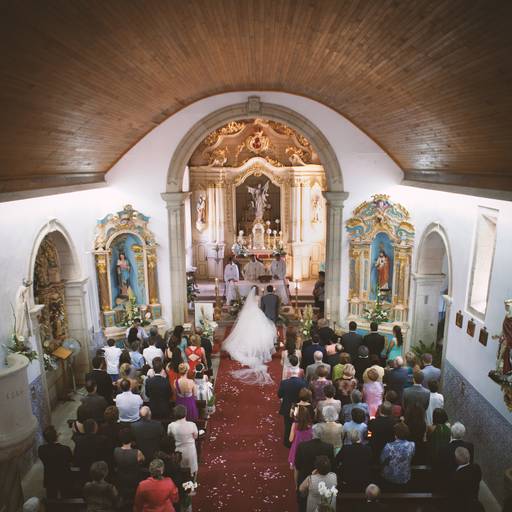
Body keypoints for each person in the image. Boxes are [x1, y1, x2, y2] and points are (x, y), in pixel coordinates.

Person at [223, 286, 276, 384]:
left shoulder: (249, 298)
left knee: (245, 330)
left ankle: (247, 348)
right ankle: (257, 349)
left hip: (249, 314)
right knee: (259, 331)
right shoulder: (259, 297)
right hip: (257, 313)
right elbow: (260, 306)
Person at [37, 425, 72, 499]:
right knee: (66, 497)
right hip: (64, 477)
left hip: (50, 477)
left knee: (51, 497)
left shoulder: (41, 449)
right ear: (56, 436)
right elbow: (70, 460)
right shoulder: (65, 449)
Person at [114, 428, 144, 507]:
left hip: (121, 479)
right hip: (134, 480)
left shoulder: (116, 451)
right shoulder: (137, 452)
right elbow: (143, 461)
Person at [380, 422, 415, 488]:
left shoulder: (389, 446)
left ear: (395, 434)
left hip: (390, 478)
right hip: (405, 477)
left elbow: (382, 460)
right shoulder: (412, 445)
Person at [168, 405, 199, 478]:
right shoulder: (192, 425)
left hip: (179, 451)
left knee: (181, 470)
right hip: (190, 450)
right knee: (191, 469)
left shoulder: (171, 426)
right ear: (185, 414)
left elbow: (170, 436)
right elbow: (195, 436)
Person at [278, 372, 308, 447]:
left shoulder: (284, 382)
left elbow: (279, 395)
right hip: (299, 407)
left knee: (288, 425)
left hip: (287, 407)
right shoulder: (304, 383)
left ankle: (287, 442)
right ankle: (297, 441)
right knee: (299, 425)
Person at [289, 406, 314, 471]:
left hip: (296, 449)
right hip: (308, 449)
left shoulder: (295, 425)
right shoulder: (311, 425)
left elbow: (290, 439)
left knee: (296, 469)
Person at [426, 407, 451, 474]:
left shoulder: (430, 428)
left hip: (433, 455)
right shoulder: (448, 429)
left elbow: (427, 439)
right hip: (445, 456)